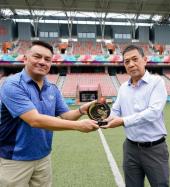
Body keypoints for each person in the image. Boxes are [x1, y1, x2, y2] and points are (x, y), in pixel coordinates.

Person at [0, 40, 99, 187]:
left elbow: (66, 115)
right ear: (25, 58)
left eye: (47, 59)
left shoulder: (52, 88)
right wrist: (78, 126)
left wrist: (82, 110)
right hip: (14, 159)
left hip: (43, 158)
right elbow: (35, 120)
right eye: (37, 57)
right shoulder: (12, 85)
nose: (42, 62)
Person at [101, 44, 169, 187]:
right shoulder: (123, 88)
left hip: (154, 149)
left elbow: (153, 112)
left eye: (135, 59)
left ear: (144, 60)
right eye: (127, 62)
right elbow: (116, 110)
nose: (131, 64)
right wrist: (103, 119)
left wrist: (123, 121)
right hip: (130, 148)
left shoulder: (157, 82)